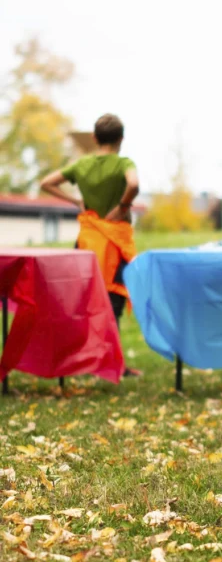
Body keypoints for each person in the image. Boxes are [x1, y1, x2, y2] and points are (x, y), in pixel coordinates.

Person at [40, 113, 141, 376]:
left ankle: (89, 359)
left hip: (86, 243)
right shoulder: (123, 163)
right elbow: (134, 183)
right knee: (112, 303)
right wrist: (123, 206)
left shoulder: (82, 165)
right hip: (114, 244)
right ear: (121, 138)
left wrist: (76, 201)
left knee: (86, 301)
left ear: (95, 138)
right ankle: (112, 364)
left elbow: (46, 183)